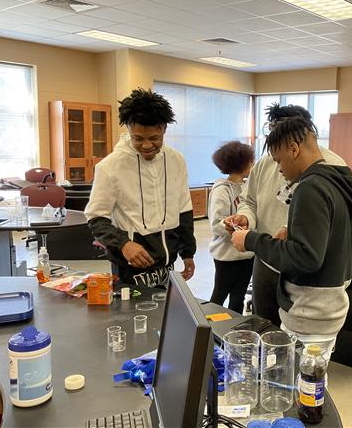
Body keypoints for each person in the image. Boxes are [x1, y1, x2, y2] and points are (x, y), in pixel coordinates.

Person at [231, 116, 352, 357]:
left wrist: (250, 240)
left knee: (302, 387)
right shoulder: (336, 180)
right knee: (314, 381)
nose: (279, 170)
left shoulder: (310, 188)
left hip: (309, 312)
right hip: (329, 306)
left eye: (279, 160)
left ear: (293, 149)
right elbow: (333, 238)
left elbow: (306, 259)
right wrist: (294, 233)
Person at [225, 104, 345, 326]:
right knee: (263, 324)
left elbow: (334, 224)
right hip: (268, 260)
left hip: (306, 272)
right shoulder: (264, 164)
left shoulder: (330, 169)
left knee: (295, 337)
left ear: (296, 141)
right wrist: (246, 218)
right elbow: (249, 201)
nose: (278, 164)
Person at [84, 88, 196, 287]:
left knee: (166, 315)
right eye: (138, 138)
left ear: (164, 129)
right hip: (129, 265)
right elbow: (96, 217)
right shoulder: (110, 166)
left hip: (166, 264)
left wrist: (188, 253)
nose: (146, 145)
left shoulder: (176, 160)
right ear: (128, 129)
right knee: (132, 317)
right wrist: (124, 244)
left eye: (154, 138)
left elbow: (184, 209)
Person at [208, 141, 255, 314]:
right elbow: (216, 224)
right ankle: (209, 331)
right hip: (226, 256)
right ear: (243, 163)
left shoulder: (248, 187)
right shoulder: (222, 190)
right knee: (219, 295)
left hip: (247, 254)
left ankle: (234, 330)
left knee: (239, 296)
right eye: (252, 161)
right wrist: (231, 226)